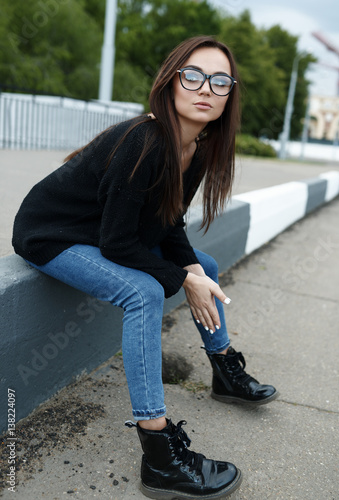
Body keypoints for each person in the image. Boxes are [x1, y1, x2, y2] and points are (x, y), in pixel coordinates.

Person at [12, 35, 278, 499]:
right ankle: (159, 456)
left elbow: (167, 225)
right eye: (193, 75)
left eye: (220, 81)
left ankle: (225, 372)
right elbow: (117, 244)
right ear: (171, 81)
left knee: (207, 264)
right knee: (146, 292)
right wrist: (180, 281)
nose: (205, 88)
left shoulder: (195, 148)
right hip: (53, 234)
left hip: (103, 235)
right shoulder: (145, 141)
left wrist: (194, 272)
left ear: (230, 95)